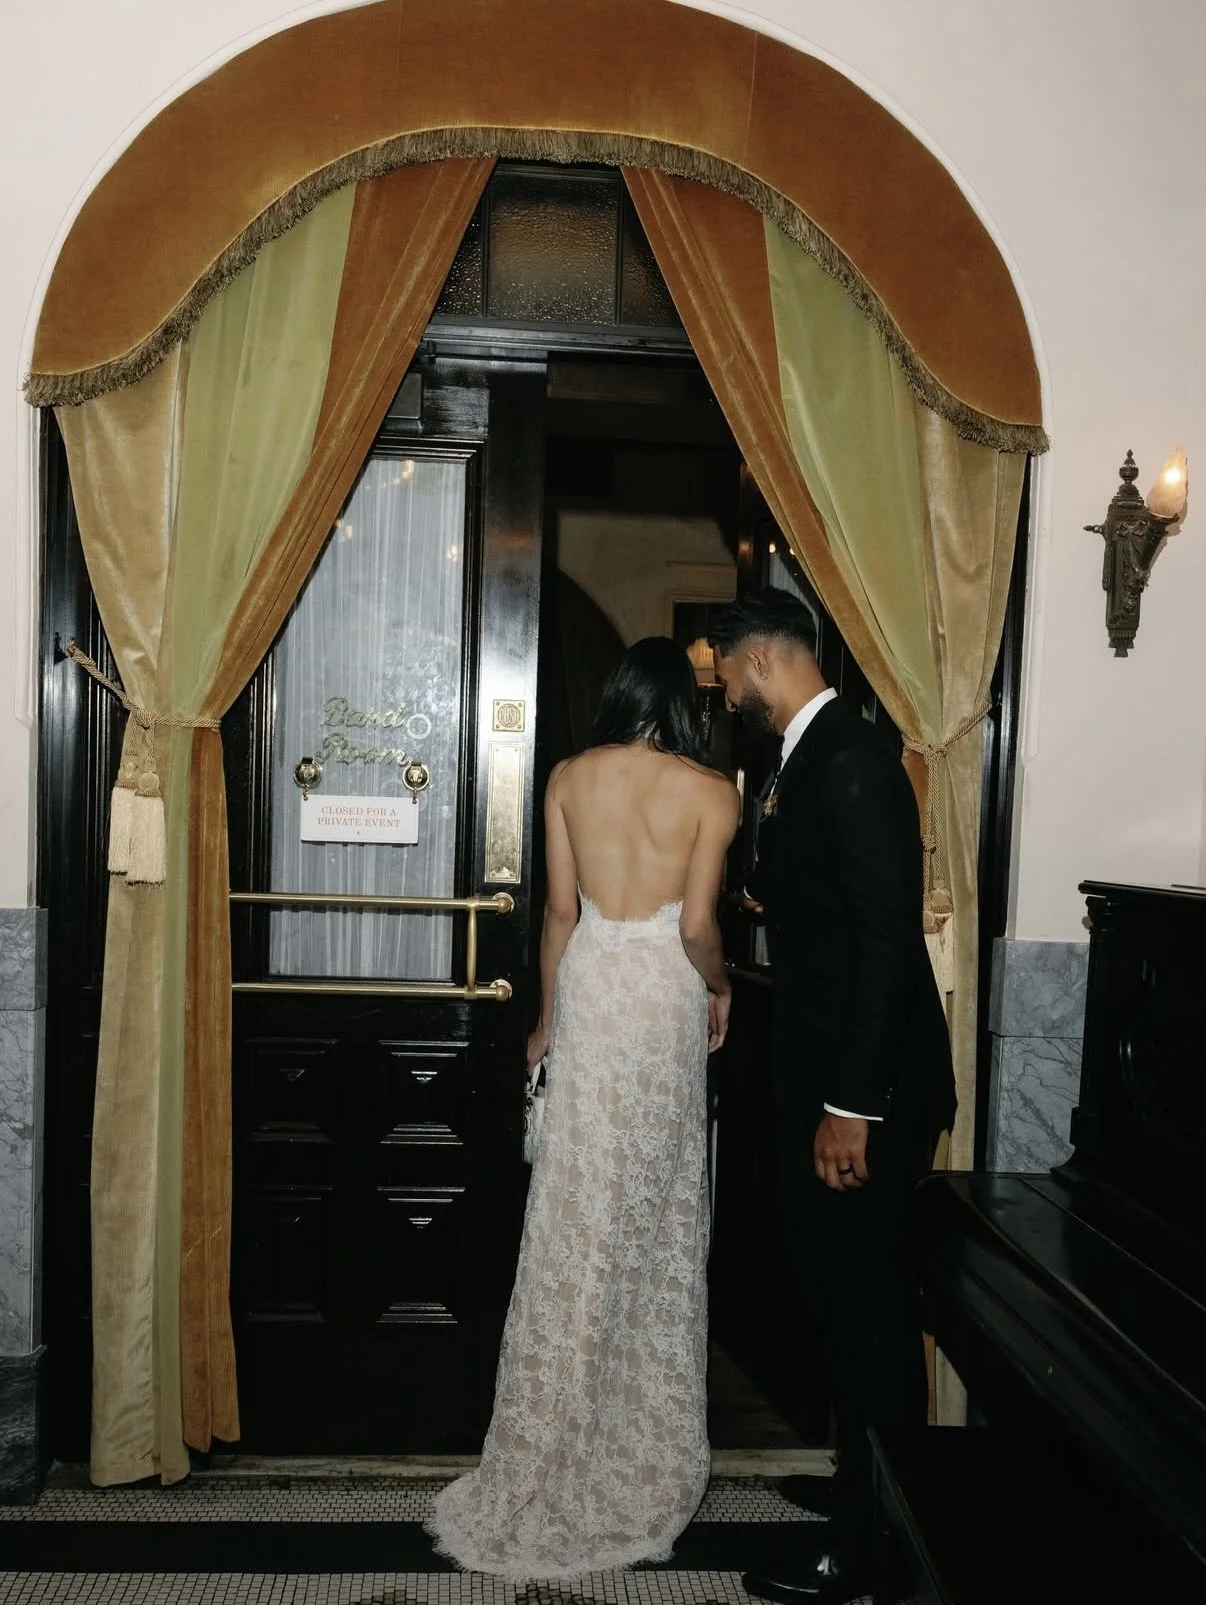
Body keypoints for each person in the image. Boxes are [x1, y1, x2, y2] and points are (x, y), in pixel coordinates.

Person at [429, 636, 740, 1581]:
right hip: (663, 1003)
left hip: (599, 989)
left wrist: (546, 1024)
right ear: (683, 704)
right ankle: (633, 1455)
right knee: (652, 1221)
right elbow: (696, 926)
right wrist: (722, 990)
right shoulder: (713, 791)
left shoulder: (567, 776)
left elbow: (558, 916)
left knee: (576, 1214)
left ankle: (544, 1443)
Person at [708, 589, 955, 1605]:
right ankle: (867, 1491)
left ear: (763, 662)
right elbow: (838, 908)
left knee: (863, 1314)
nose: (722, 694)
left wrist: (854, 1106)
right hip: (833, 1076)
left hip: (869, 1089)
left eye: (725, 676)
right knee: (838, 1300)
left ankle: (868, 1546)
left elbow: (889, 944)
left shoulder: (851, 762)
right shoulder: (808, 758)